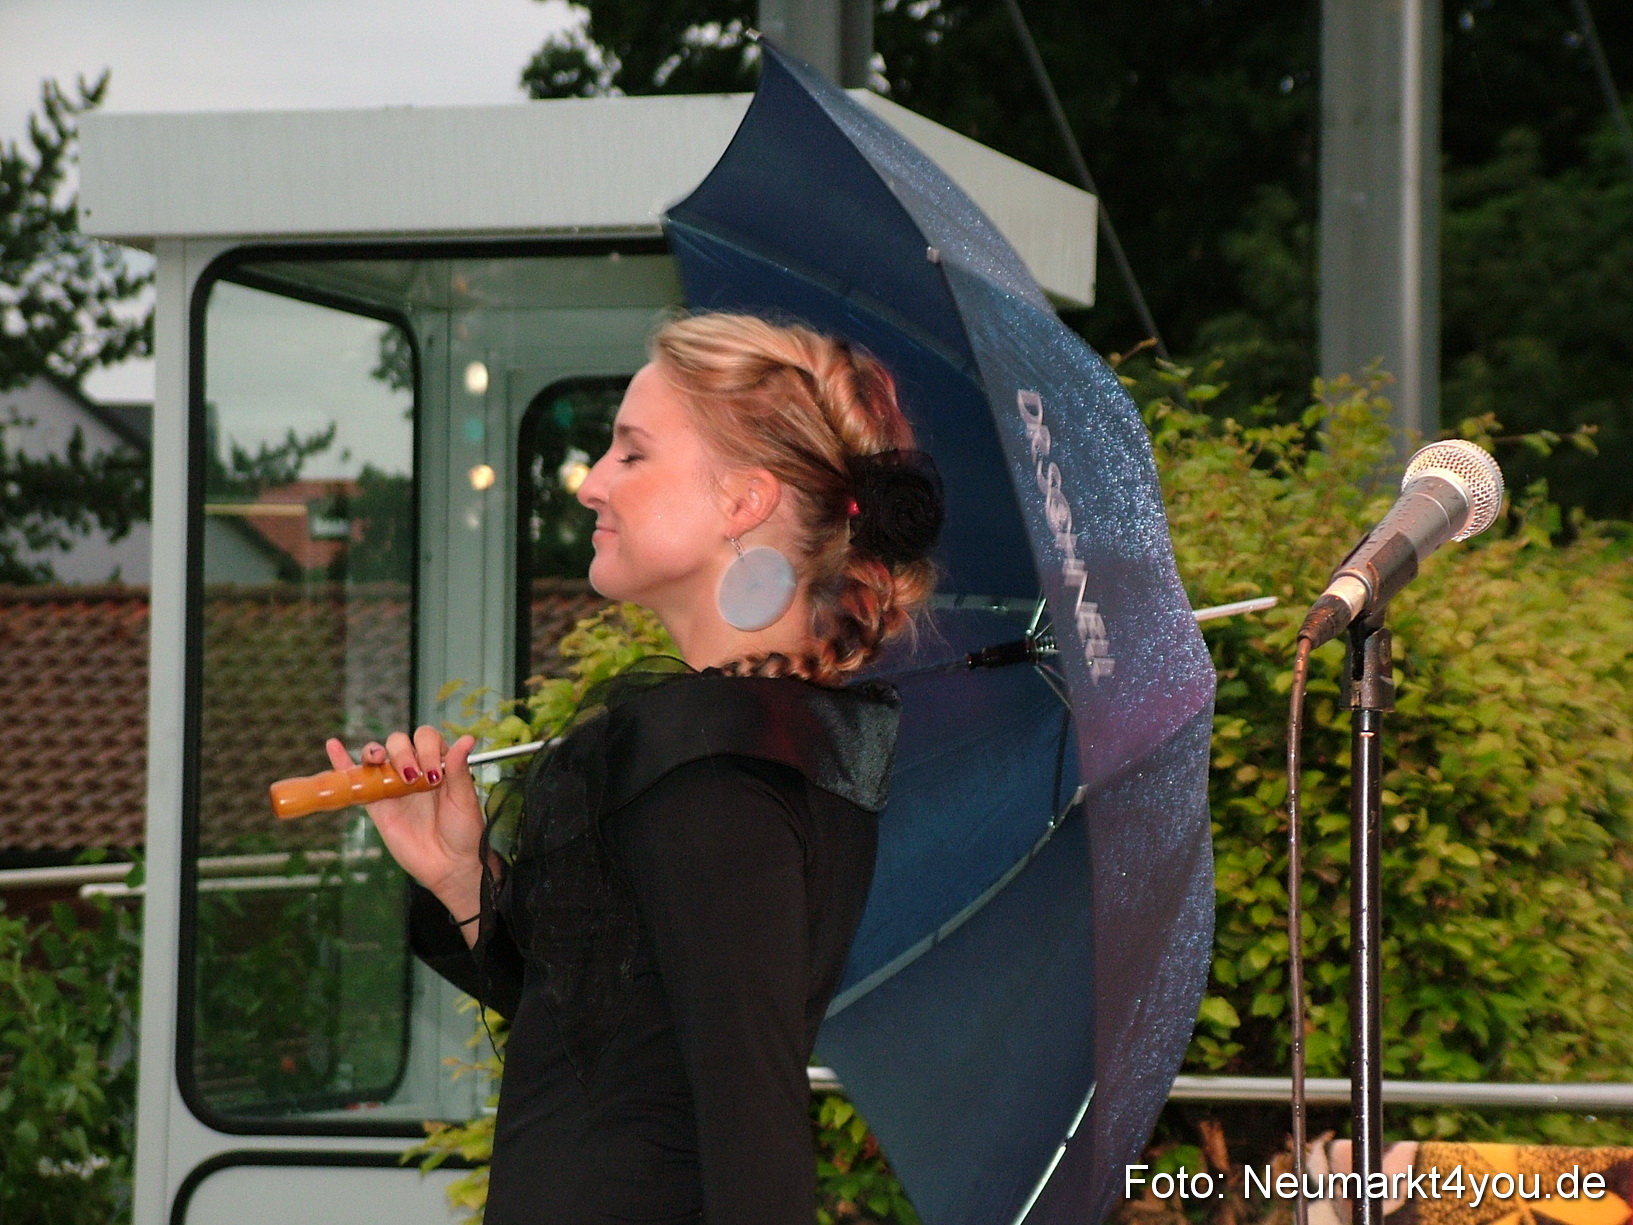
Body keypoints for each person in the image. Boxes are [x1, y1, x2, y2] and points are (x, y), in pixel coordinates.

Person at [326, 313, 944, 1225]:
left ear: (743, 502)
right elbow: (609, 1036)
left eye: (631, 453)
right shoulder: (737, 745)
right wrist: (464, 877)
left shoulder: (720, 773)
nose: (590, 484)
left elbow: (752, 1124)